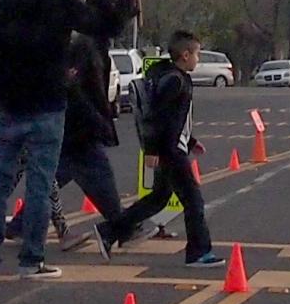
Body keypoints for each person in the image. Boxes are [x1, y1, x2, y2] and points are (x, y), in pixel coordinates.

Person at [0, 0, 136, 280]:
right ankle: (31, 260)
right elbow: (104, 25)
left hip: (7, 103)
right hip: (48, 102)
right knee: (40, 182)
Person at [4, 0, 152, 252]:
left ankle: (18, 225)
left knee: (55, 176)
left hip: (75, 126)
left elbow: (122, 20)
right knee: (98, 174)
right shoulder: (84, 46)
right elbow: (74, 89)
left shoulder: (92, 43)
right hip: (79, 126)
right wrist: (96, 119)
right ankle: (120, 226)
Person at [91, 30, 223, 267]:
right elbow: (158, 118)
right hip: (170, 151)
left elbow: (174, 119)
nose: (198, 59)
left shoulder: (170, 77)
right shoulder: (175, 81)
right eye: (197, 54)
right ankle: (198, 252)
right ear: (185, 55)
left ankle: (110, 231)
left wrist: (190, 140)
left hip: (171, 147)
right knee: (193, 201)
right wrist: (153, 150)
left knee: (159, 198)